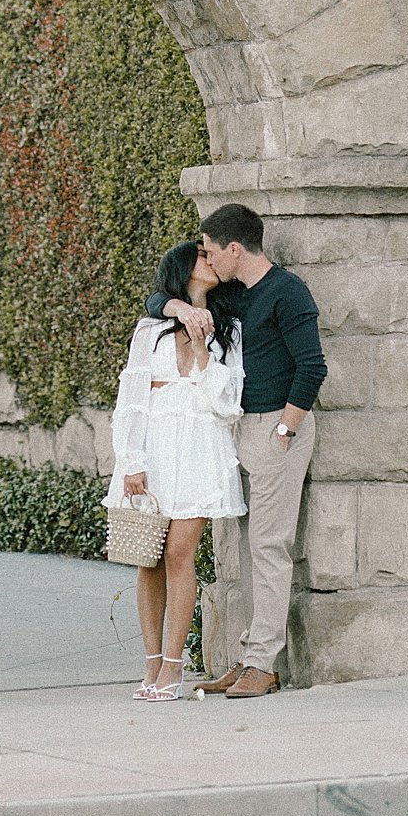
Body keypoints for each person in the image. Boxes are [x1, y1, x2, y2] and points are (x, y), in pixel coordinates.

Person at [148, 202, 326, 699]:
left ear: (233, 248)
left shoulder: (288, 292)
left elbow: (312, 366)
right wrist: (180, 307)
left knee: (269, 547)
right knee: (250, 549)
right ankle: (248, 656)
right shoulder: (235, 294)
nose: (205, 257)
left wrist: (284, 433)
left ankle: (263, 664)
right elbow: (156, 296)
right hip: (240, 430)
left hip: (276, 430)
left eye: (209, 249)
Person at [107, 238, 245, 703]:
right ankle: (151, 661)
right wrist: (131, 462)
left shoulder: (231, 329)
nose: (211, 260)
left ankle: (174, 665)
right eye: (202, 256)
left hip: (201, 451)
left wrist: (205, 353)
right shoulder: (151, 330)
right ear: (182, 269)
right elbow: (131, 401)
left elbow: (227, 405)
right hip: (155, 450)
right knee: (148, 557)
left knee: (179, 554)